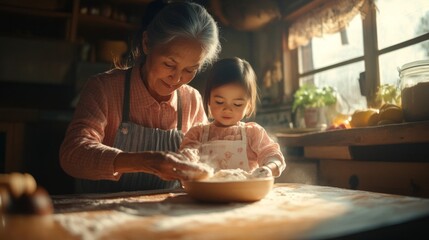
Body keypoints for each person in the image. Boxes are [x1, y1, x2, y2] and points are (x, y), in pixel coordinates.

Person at [59, 1, 221, 193]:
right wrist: (147, 161)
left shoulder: (191, 100)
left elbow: (207, 157)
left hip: (164, 215)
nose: (177, 78)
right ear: (146, 44)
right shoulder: (104, 88)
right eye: (169, 64)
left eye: (190, 70)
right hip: (101, 214)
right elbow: (72, 155)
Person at [179, 57, 286, 178]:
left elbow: (273, 156)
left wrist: (269, 168)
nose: (227, 109)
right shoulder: (197, 133)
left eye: (237, 104)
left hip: (244, 195)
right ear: (208, 100)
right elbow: (185, 159)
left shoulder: (253, 134)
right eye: (219, 102)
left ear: (249, 106)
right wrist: (187, 158)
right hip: (207, 195)